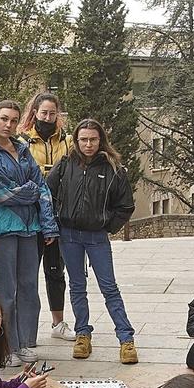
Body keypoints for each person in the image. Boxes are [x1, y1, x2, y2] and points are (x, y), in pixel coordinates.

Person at [46, 118, 138, 364]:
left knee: (109, 287)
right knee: (76, 286)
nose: (88, 144)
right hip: (69, 235)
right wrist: (55, 221)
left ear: (101, 140)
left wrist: (108, 225)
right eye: (83, 139)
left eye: (93, 139)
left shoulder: (113, 168)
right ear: (76, 141)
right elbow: (48, 192)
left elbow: (126, 205)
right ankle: (82, 334)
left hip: (97, 236)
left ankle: (126, 338)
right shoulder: (65, 164)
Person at [0, 101, 59, 362]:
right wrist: (30, 192)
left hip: (30, 227)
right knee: (5, 290)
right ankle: (5, 347)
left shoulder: (23, 149)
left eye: (14, 120)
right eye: (4, 119)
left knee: (28, 287)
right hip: (3, 228)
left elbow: (43, 189)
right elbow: (0, 193)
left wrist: (48, 224)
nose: (9, 125)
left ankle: (24, 342)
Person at [19, 89, 73, 341]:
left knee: (55, 270)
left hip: (58, 212)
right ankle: (23, 326)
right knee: (27, 272)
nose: (48, 117)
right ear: (35, 113)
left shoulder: (67, 141)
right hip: (30, 214)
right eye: (44, 112)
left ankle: (58, 322)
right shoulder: (22, 140)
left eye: (52, 113)